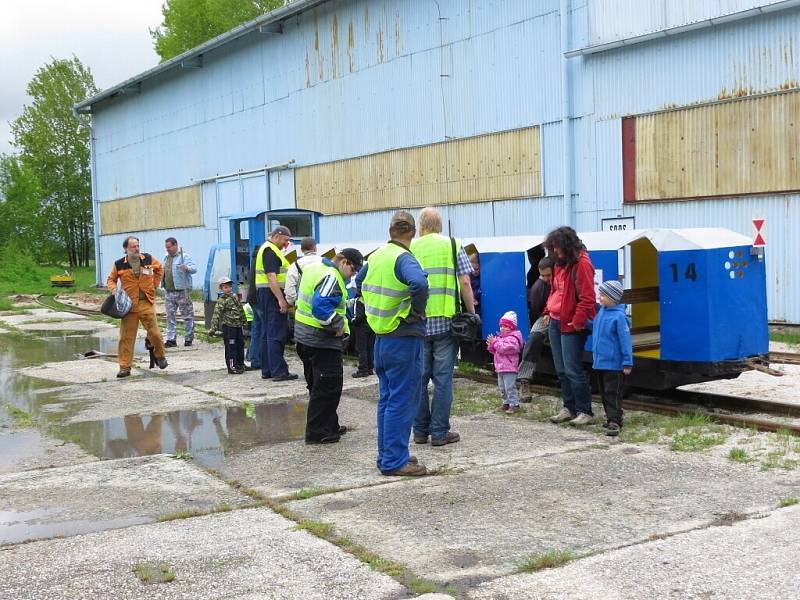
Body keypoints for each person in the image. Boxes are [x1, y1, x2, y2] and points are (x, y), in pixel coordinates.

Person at [357, 210, 429, 476]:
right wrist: (414, 311)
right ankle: (394, 461)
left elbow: (358, 281)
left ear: (391, 232)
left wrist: (373, 308)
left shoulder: (376, 256)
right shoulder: (403, 258)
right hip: (403, 337)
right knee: (402, 399)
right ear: (413, 231)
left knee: (387, 400)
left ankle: (387, 455)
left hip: (382, 337)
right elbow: (419, 284)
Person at [410, 207, 476, 447]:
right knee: (443, 380)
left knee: (418, 379)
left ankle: (419, 432)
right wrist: (472, 313)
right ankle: (439, 433)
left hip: (418, 323)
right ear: (440, 226)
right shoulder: (452, 244)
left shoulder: (411, 247)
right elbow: (466, 282)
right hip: (447, 324)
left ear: (421, 226)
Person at [295, 248, 364, 444]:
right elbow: (320, 305)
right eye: (353, 269)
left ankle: (329, 424)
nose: (353, 274)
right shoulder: (331, 276)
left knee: (318, 385)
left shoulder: (314, 267)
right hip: (320, 340)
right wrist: (338, 325)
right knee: (328, 386)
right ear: (343, 262)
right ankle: (318, 432)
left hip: (304, 337)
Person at [543, 226, 597, 425]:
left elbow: (588, 298)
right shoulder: (560, 264)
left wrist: (577, 321)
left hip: (571, 325)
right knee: (561, 369)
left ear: (567, 245)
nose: (555, 252)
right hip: (556, 321)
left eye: (557, 248)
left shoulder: (582, 264)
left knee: (573, 368)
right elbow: (555, 291)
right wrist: (548, 311)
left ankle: (585, 411)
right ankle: (569, 407)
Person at [106, 236, 168, 378]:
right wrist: (114, 290)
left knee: (155, 334)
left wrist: (155, 284)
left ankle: (160, 356)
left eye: (137, 245)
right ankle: (125, 367)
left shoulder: (148, 259)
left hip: (146, 302)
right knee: (126, 338)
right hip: (129, 306)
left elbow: (159, 268)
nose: (136, 248)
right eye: (133, 246)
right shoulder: (119, 264)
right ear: (126, 249)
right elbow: (111, 279)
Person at [589, 280, 633, 437]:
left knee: (612, 392)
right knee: (603, 392)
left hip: (614, 365)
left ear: (613, 298)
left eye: (603, 295)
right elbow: (595, 329)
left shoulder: (619, 317)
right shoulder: (601, 312)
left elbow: (625, 341)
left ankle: (615, 421)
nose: (600, 298)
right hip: (600, 363)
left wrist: (627, 362)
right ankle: (610, 418)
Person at [255, 225, 298, 381]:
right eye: (286, 240)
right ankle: (279, 371)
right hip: (272, 295)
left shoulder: (268, 249)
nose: (286, 244)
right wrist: (281, 299)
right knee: (276, 333)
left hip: (266, 294)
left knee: (267, 333)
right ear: (277, 235)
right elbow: (271, 277)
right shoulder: (270, 251)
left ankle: (268, 369)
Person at [517, 257, 554, 392]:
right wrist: (546, 314)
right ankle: (523, 378)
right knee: (534, 338)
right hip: (546, 316)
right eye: (542, 275)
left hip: (563, 315)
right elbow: (536, 311)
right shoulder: (538, 288)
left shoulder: (562, 281)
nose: (545, 278)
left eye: (548, 275)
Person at [487, 311, 524, 414]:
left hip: (509, 368)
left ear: (512, 328)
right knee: (502, 387)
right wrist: (491, 345)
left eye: (506, 326)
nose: (502, 328)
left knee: (509, 387)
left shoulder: (513, 339)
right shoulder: (501, 338)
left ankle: (514, 404)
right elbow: (495, 350)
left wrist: (494, 343)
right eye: (501, 326)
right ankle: (506, 402)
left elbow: (504, 349)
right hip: (500, 367)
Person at [162, 237, 197, 347]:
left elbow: (194, 268)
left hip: (182, 291)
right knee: (170, 316)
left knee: (187, 316)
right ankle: (171, 339)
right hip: (169, 292)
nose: (167, 249)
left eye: (169, 247)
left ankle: (188, 338)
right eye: (166, 247)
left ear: (175, 245)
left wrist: (186, 267)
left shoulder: (184, 256)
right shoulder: (166, 258)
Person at [208, 276, 246, 374]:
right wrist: (213, 328)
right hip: (229, 327)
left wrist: (244, 321)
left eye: (229, 286)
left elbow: (240, 309)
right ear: (221, 289)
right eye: (225, 287)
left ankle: (240, 364)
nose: (228, 289)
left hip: (237, 326)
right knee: (231, 347)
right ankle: (232, 366)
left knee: (240, 345)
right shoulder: (221, 300)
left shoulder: (234, 297)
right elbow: (216, 315)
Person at [285, 237, 323, 307]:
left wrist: (293, 302)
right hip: (323, 304)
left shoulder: (296, 265)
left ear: (301, 250)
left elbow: (289, 288)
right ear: (315, 248)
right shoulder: (325, 262)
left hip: (302, 307)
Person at [351, 292, 375, 377]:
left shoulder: (359, 300)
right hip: (372, 326)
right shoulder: (370, 297)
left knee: (361, 349)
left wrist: (353, 321)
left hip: (361, 327)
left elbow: (358, 316)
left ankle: (362, 369)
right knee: (370, 348)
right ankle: (370, 368)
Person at [245, 247, 262, 370]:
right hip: (259, 298)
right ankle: (257, 359)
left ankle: (253, 357)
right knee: (263, 330)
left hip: (252, 297)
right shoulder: (262, 258)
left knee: (256, 330)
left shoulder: (255, 257)